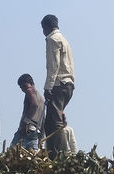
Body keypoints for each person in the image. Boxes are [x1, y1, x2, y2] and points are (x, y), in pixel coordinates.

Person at [41, 14, 75, 154]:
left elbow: (53, 66)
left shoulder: (52, 39)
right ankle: (55, 152)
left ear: (46, 27)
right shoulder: (64, 40)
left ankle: (58, 155)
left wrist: (48, 87)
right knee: (53, 121)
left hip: (58, 84)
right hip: (68, 84)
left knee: (53, 123)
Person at [11, 74, 45, 151]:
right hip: (35, 131)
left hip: (27, 129)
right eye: (21, 88)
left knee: (13, 152)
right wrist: (42, 137)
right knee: (32, 154)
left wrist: (25, 122)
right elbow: (43, 118)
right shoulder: (41, 98)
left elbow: (34, 105)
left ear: (31, 83)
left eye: (25, 86)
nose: (23, 89)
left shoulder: (30, 92)